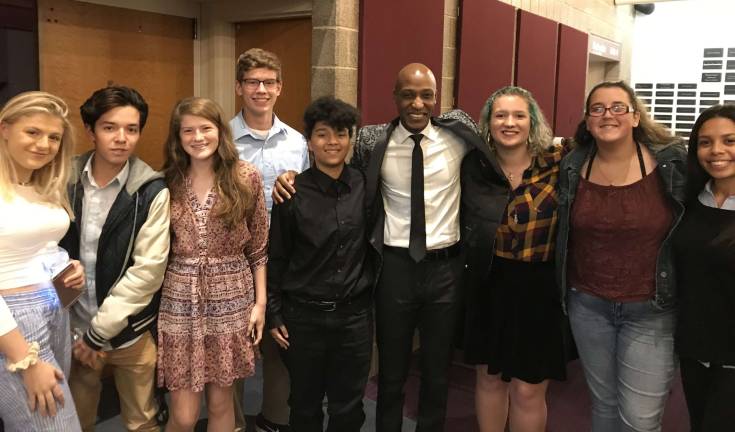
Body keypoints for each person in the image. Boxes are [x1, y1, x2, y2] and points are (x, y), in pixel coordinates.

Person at [275, 63, 488, 432]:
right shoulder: (374, 143)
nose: (417, 103)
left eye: (425, 95)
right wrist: (292, 174)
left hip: (446, 270)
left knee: (437, 370)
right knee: (391, 372)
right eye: (408, 94)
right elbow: (330, 163)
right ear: (395, 97)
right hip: (394, 270)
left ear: (436, 98)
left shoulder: (459, 137)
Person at [555, 81, 686, 432]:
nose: (607, 115)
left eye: (618, 107)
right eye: (597, 108)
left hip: (651, 309)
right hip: (588, 306)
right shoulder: (572, 166)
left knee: (640, 420)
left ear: (635, 117)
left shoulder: (671, 162)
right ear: (587, 119)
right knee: (605, 407)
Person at [59, 86, 171, 432]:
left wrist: (99, 334)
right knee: (76, 422)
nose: (122, 138)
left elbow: (147, 272)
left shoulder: (152, 190)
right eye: (110, 127)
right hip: (74, 329)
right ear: (91, 131)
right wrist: (80, 331)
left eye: (132, 129)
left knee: (142, 422)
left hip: (130, 334)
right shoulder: (64, 180)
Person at [157, 97, 268, 432]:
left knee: (222, 404)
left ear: (220, 131)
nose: (198, 137)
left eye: (206, 128)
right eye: (187, 130)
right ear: (177, 137)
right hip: (180, 296)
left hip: (232, 295)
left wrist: (260, 303)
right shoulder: (166, 182)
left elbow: (260, 248)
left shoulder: (246, 177)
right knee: (184, 414)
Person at [462, 86, 567, 432]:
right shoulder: (473, 167)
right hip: (488, 283)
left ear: (533, 122)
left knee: (527, 389)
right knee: (490, 380)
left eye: (519, 115)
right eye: (500, 115)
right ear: (488, 123)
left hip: (540, 288)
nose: (510, 123)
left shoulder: (558, 162)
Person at [267, 96, 374, 431]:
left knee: (349, 408)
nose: (332, 142)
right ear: (309, 142)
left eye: (340, 134)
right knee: (304, 405)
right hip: (303, 319)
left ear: (350, 139)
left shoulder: (365, 185)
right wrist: (273, 313)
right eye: (323, 134)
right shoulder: (291, 192)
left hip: (354, 318)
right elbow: (277, 256)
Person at [230, 47, 308, 432]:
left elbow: (309, 200)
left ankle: (274, 419)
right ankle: (232, 422)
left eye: (268, 82)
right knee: (234, 346)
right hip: (233, 257)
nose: (261, 89)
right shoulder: (221, 139)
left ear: (280, 87)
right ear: (239, 87)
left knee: (279, 341)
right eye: (252, 82)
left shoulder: (298, 142)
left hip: (281, 257)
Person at [0, 91, 84, 431]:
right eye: (32, 132)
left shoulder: (40, 185)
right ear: (4, 129)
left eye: (53, 137)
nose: (44, 144)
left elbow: (37, 244)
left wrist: (65, 266)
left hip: (54, 310)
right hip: (15, 323)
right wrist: (24, 358)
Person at [672, 104, 735, 431]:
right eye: (705, 142)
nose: (717, 151)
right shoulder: (692, 202)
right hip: (695, 347)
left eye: (730, 140)